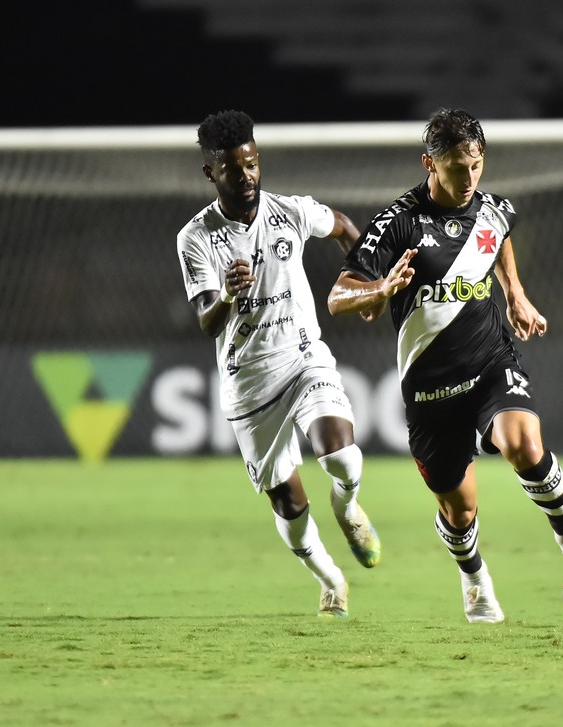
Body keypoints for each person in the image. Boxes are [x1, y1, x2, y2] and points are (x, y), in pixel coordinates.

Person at [327, 108, 563, 623]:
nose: (469, 177)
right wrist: (382, 288)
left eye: (476, 165)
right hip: (430, 389)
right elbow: (338, 295)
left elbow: (500, 235)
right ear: (429, 163)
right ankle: (475, 580)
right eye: (457, 167)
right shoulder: (397, 222)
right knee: (460, 511)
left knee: (524, 444)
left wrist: (515, 293)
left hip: (489, 358)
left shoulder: (491, 208)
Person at [176, 109, 381, 619]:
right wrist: (228, 295)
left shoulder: (290, 211)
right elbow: (207, 321)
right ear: (210, 172)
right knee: (288, 503)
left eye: (251, 164)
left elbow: (344, 226)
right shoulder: (195, 237)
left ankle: (347, 505)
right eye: (232, 169)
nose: (246, 175)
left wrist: (365, 282)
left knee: (340, 455)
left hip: (303, 358)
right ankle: (331, 580)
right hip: (248, 383)